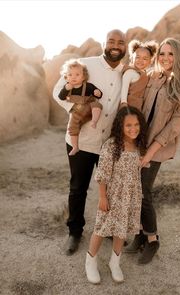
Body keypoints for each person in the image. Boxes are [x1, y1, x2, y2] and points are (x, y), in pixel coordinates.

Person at [53, 29, 126, 256]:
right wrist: (78, 110)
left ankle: (109, 228)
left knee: (111, 189)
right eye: (111, 41)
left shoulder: (127, 72)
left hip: (109, 143)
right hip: (82, 140)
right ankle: (75, 232)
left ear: (125, 47)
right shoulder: (85, 64)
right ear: (105, 43)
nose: (115, 46)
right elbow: (58, 91)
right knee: (78, 188)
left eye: (120, 42)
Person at [125, 38, 180, 264]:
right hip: (139, 142)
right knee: (135, 190)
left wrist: (148, 154)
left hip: (157, 147)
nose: (165, 59)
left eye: (171, 54)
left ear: (179, 57)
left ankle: (153, 239)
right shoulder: (154, 78)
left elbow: (172, 128)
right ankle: (139, 235)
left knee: (144, 191)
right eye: (162, 54)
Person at [85, 106, 147, 284]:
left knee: (122, 229)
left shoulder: (139, 145)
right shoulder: (112, 146)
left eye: (136, 124)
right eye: (128, 125)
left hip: (130, 195)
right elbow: (102, 175)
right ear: (120, 126)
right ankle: (90, 261)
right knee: (101, 228)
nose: (133, 129)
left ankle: (115, 262)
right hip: (112, 195)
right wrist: (103, 197)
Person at [58, 59, 103, 156]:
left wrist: (97, 93)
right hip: (77, 112)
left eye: (77, 75)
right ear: (66, 77)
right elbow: (61, 97)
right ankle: (75, 147)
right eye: (70, 75)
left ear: (83, 77)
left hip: (89, 108)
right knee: (72, 126)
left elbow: (99, 95)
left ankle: (94, 121)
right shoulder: (67, 87)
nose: (73, 77)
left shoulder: (88, 86)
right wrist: (65, 89)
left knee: (97, 105)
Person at [120, 39, 158, 111]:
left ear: (150, 61)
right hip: (128, 105)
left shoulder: (145, 73)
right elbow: (124, 88)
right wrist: (123, 102)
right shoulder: (130, 72)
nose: (140, 60)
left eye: (145, 59)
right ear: (131, 58)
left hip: (139, 105)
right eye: (137, 57)